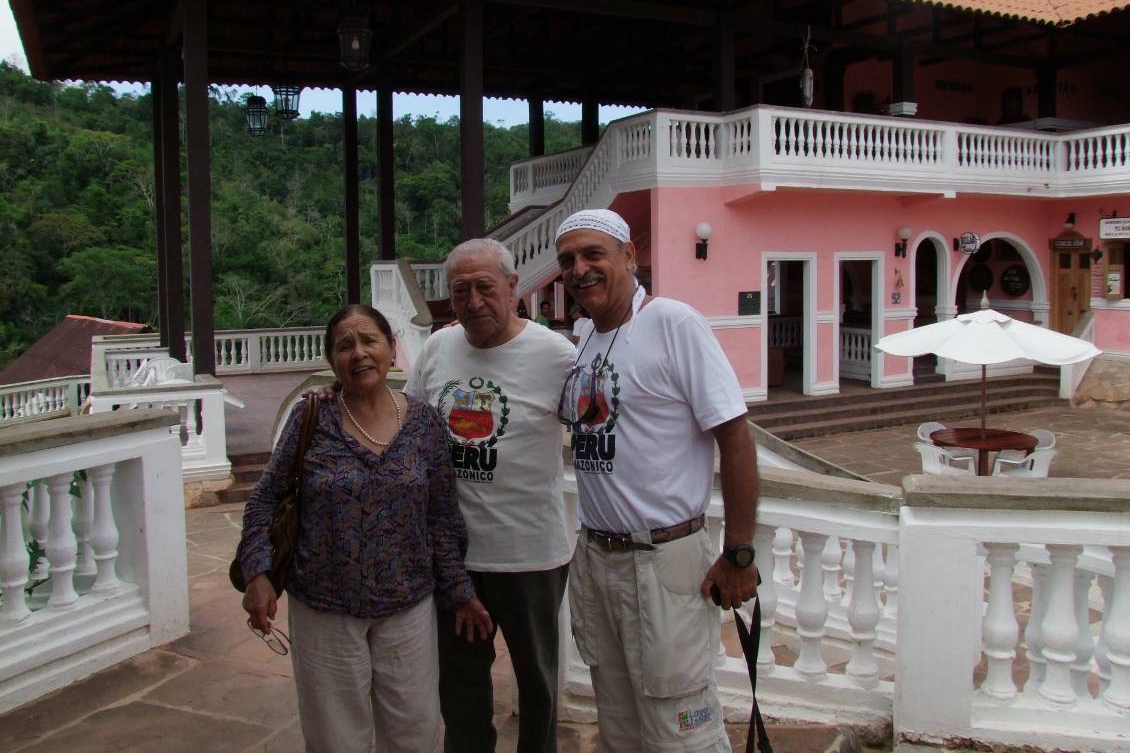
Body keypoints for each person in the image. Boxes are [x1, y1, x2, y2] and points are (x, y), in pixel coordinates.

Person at [238, 304, 492, 753]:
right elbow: (264, 500)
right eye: (344, 346)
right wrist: (257, 572)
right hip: (325, 608)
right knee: (336, 739)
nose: (358, 353)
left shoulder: (424, 423)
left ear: (391, 349)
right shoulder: (311, 418)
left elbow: (442, 518)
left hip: (408, 607)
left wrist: (459, 591)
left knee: (414, 732)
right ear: (332, 360)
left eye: (369, 341)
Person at [555, 209, 759, 753]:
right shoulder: (586, 337)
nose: (579, 269)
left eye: (593, 254)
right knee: (618, 723)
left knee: (680, 730)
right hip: (597, 559)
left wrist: (739, 553)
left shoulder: (672, 322)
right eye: (568, 260)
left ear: (629, 256)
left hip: (663, 562)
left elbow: (735, 436)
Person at [405, 238, 577, 753]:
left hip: (530, 555)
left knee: (538, 683)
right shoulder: (438, 349)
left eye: (485, 287)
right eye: (461, 291)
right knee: (460, 685)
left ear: (512, 286)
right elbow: (407, 426)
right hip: (456, 559)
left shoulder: (557, 355)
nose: (474, 301)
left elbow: (599, 426)